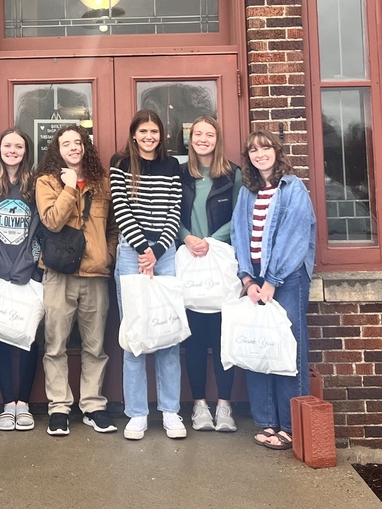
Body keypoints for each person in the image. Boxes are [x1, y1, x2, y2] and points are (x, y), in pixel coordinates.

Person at [231, 129, 316, 451]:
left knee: (287, 351)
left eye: (265, 148)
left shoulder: (292, 188)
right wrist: (247, 280)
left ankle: (291, 426)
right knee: (259, 348)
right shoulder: (247, 191)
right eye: (253, 150)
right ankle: (266, 421)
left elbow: (294, 237)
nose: (260, 154)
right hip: (255, 283)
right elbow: (239, 234)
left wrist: (272, 281)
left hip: (287, 280)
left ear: (276, 152)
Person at [35, 124, 118, 437]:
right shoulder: (47, 181)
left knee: (95, 345)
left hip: (96, 274)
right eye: (66, 143)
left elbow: (113, 227)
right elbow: (52, 221)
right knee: (55, 343)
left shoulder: (102, 182)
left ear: (86, 147)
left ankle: (93, 405)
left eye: (78, 142)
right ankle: (58, 407)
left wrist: (107, 254)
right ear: (58, 148)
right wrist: (69, 187)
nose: (73, 147)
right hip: (59, 274)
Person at [110, 108, 186, 441]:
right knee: (135, 336)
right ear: (134, 134)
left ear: (161, 135)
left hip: (165, 255)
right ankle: (137, 413)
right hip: (131, 254)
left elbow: (175, 210)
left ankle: (170, 411)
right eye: (143, 131)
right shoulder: (120, 164)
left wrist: (157, 250)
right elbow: (121, 208)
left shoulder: (173, 167)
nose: (149, 137)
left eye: (154, 131)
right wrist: (143, 249)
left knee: (167, 335)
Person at [178, 115, 243, 433]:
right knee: (194, 341)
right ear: (190, 140)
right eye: (197, 134)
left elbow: (240, 216)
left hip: (220, 264)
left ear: (217, 139)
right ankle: (200, 406)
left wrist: (213, 241)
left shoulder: (233, 175)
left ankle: (225, 406)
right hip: (190, 264)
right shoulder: (181, 175)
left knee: (221, 341)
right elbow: (171, 213)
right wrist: (187, 236)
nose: (203, 139)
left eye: (209, 134)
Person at [0, 128, 41, 432]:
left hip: (29, 271)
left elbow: (39, 229)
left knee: (29, 336)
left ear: (25, 150)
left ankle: (25, 402)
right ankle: (7, 403)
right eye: (7, 145)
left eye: (19, 145)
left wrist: (27, 265)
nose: (13, 150)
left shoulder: (35, 182)